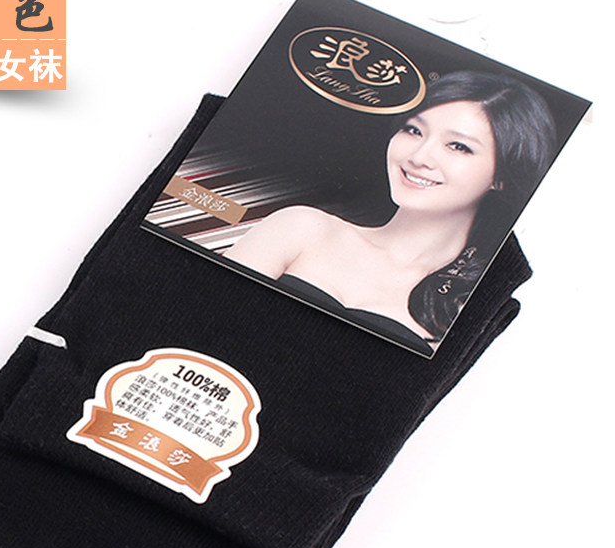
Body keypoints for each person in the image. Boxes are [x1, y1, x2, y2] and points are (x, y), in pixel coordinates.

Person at [222, 71, 556, 351]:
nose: (419, 157)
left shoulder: (466, 302)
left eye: (458, 146)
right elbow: (209, 310)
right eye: (413, 130)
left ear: (502, 175)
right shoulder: (301, 228)